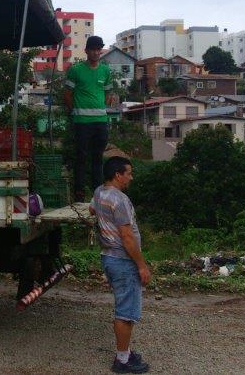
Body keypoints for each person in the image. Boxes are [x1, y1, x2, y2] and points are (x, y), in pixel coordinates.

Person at [89, 156, 151, 374]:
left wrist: (105, 226)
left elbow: (91, 210)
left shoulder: (99, 192)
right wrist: (142, 265)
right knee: (126, 311)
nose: (131, 177)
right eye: (129, 173)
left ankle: (125, 351)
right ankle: (122, 360)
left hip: (108, 257)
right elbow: (127, 237)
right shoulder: (120, 200)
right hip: (123, 261)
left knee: (124, 306)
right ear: (117, 174)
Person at [62, 35, 118, 202]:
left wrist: (103, 105)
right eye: (92, 49)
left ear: (101, 51)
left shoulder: (106, 71)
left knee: (97, 158)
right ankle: (79, 194)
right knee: (81, 157)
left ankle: (97, 194)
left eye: (98, 49)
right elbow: (67, 94)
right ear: (86, 51)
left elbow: (109, 93)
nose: (95, 52)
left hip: (101, 122)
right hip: (82, 123)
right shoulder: (76, 70)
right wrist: (76, 110)